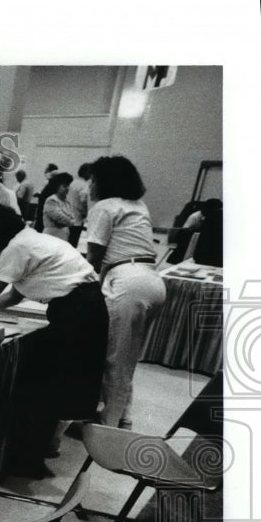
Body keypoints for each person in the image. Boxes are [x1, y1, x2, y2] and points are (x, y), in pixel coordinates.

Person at [0, 204, 108, 478]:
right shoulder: (33, 239)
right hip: (87, 307)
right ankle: (35, 453)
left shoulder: (17, 248)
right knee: (52, 384)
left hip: (76, 311)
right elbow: (9, 298)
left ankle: (27, 461)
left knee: (43, 385)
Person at [85, 155, 166, 430]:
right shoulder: (138, 205)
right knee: (129, 357)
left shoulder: (104, 206)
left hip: (127, 282)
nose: (90, 185)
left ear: (104, 181)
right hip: (153, 281)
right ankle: (124, 417)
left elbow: (94, 257)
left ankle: (107, 426)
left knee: (113, 359)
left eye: (93, 179)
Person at [41, 172, 78, 241]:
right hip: (51, 236)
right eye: (64, 186)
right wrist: (70, 221)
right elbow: (60, 218)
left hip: (63, 236)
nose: (67, 188)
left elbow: (73, 217)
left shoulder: (67, 202)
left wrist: (70, 221)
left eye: (68, 186)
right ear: (57, 187)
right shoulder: (51, 200)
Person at [33, 163, 59, 232]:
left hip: (44, 209)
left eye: (47, 170)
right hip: (43, 209)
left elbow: (44, 195)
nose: (45, 172)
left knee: (40, 227)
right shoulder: (50, 183)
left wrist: (39, 195)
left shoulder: (49, 183)